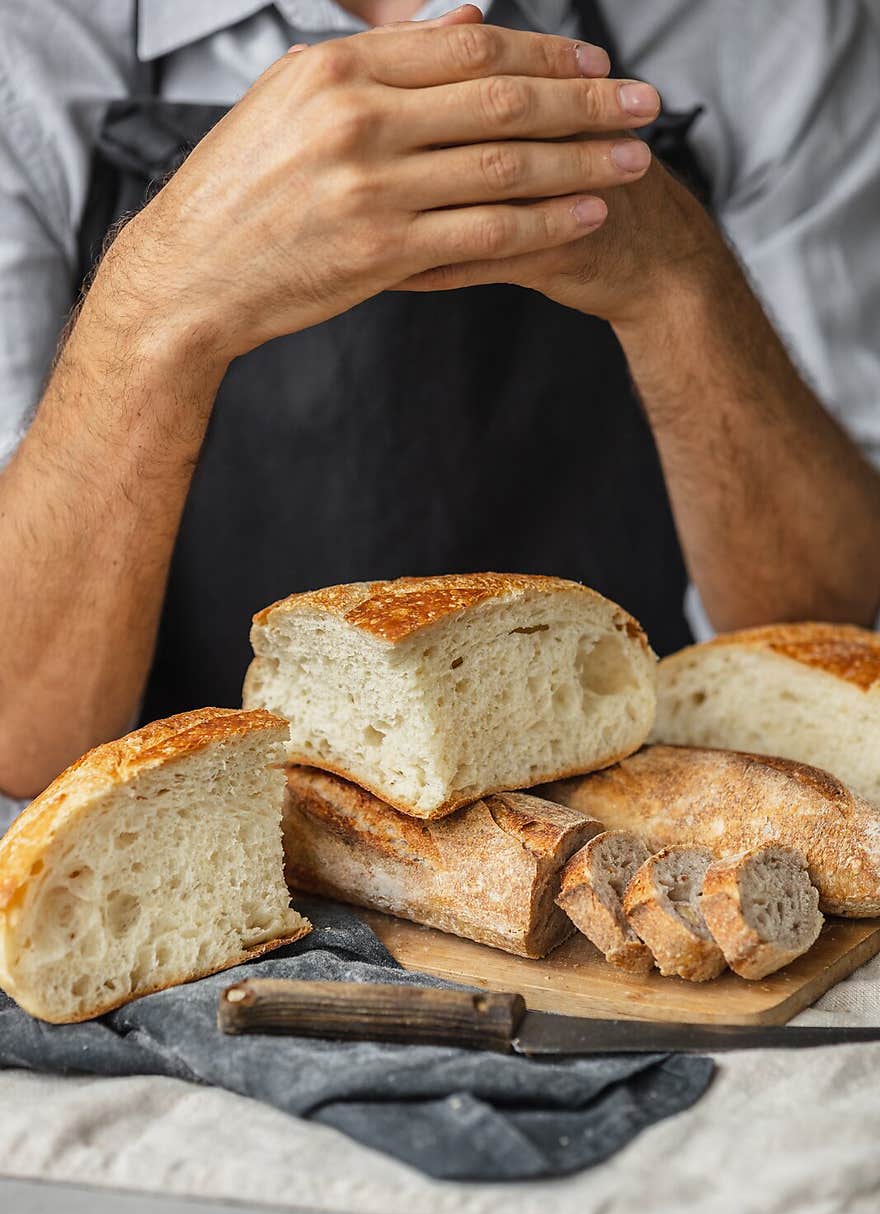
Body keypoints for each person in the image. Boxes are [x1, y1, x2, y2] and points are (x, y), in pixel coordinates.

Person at [1, 0, 880, 815]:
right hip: (196, 872)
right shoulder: (27, 45)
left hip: (650, 837)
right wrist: (151, 310)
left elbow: (826, 639)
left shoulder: (780, 28)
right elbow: (18, 741)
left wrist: (681, 278)